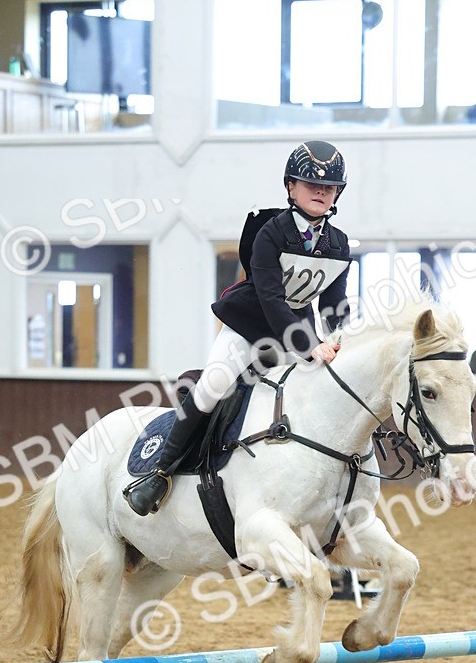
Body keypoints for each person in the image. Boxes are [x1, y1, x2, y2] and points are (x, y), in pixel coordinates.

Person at [123, 139, 352, 516]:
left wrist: (341, 341)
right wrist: (310, 345)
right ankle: (159, 473)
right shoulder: (270, 233)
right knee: (213, 385)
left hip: (297, 336)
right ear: (291, 187)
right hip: (249, 327)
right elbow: (271, 299)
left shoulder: (339, 245)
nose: (321, 192)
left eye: (329, 187)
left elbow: (333, 307)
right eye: (311, 184)